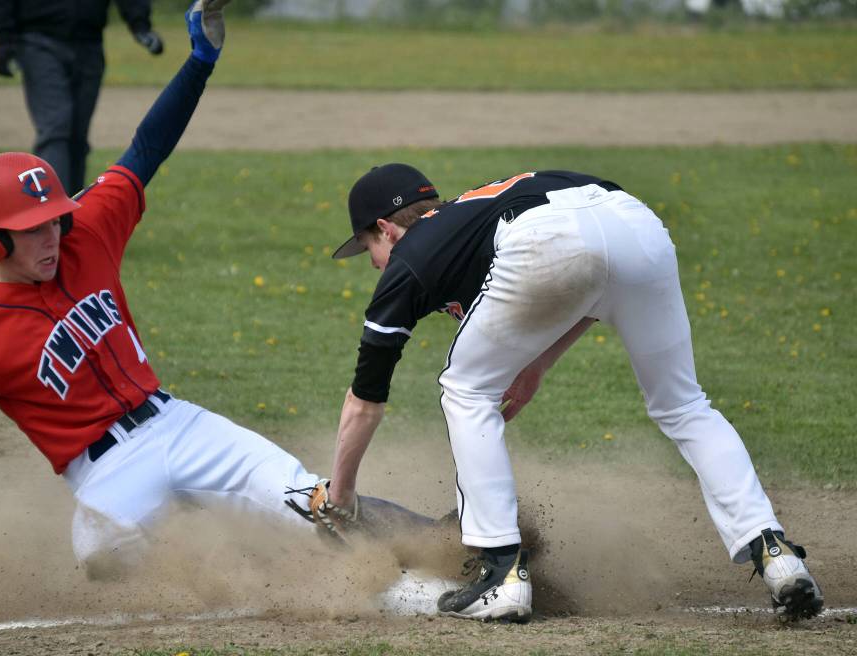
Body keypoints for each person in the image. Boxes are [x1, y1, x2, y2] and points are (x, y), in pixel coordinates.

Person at [0, 0, 359, 580]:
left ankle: (446, 543)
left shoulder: (86, 229)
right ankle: (222, 565)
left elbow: (146, 149)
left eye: (54, 219)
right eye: (32, 230)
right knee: (104, 553)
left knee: (315, 502)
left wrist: (200, 61)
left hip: (179, 425)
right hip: (107, 472)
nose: (52, 236)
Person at [323, 163, 825, 622]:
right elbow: (592, 266)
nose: (373, 264)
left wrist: (341, 496)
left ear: (386, 229)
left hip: (548, 237)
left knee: (466, 391)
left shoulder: (413, 256)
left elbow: (363, 403)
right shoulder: (468, 218)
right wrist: (537, 361)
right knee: (684, 404)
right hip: (633, 222)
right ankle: (776, 555)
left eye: (368, 248)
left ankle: (501, 576)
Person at [0, 0, 166, 195]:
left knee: (77, 137)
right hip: (38, 40)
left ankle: (73, 215)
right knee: (56, 129)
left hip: (90, 43)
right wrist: (3, 37)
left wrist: (139, 23)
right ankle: (52, 212)